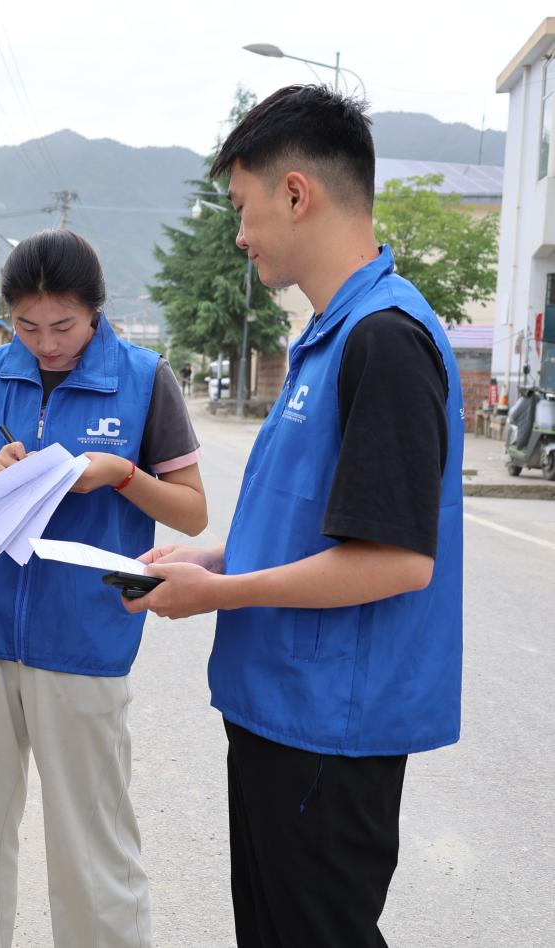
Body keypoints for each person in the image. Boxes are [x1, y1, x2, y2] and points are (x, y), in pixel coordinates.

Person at [125, 85, 464, 948]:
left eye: (241, 206)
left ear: (296, 192)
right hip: (282, 709)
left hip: (329, 730)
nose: (237, 233)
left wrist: (221, 595)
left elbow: (395, 559)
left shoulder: (382, 341)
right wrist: (209, 560)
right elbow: (307, 528)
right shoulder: (325, 338)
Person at [0, 228, 208, 947]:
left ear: (95, 312)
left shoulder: (144, 377)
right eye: (26, 325)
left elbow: (190, 509)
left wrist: (118, 473)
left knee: (91, 839)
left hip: (85, 632)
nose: (46, 343)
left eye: (64, 326)